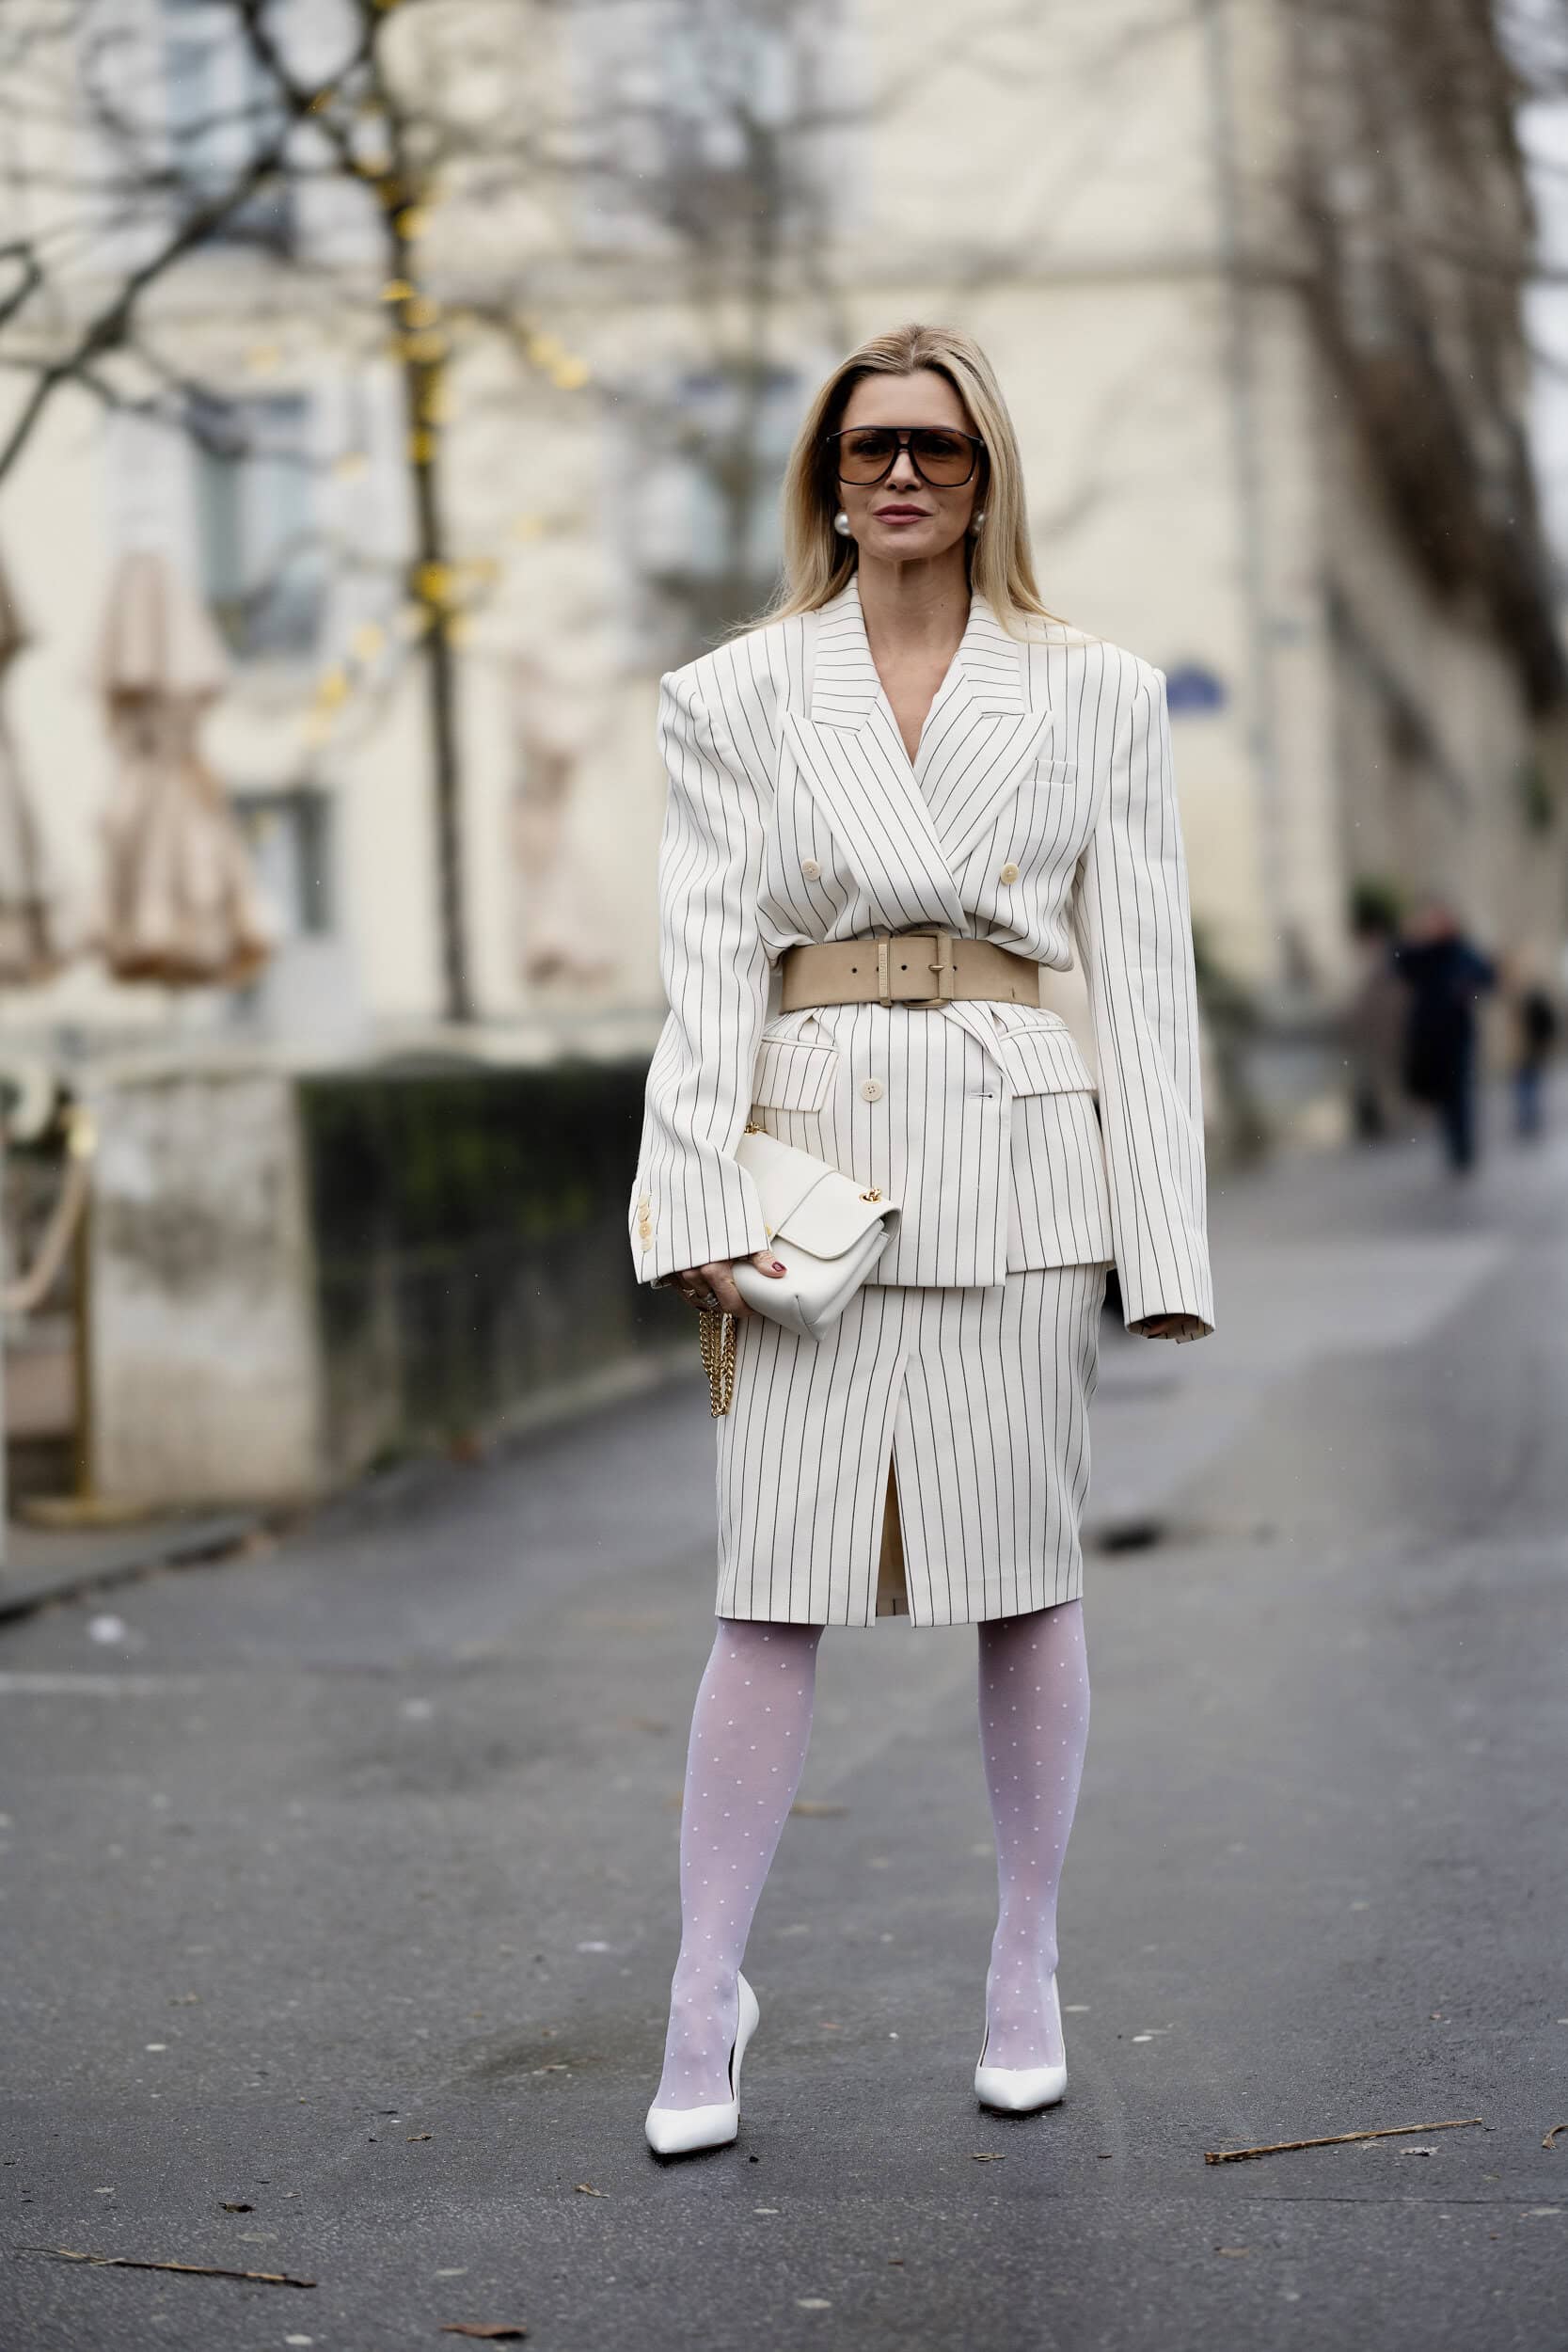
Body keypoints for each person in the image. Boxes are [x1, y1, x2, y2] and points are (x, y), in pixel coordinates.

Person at [627, 323, 1213, 2157]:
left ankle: (1022, 1958)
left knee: (1023, 1573)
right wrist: (688, 1192)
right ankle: (697, 1982)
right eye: (869, 443)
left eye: (936, 450)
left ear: (983, 477)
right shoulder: (727, 695)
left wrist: (1163, 1242)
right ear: (824, 469)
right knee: (766, 1594)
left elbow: (1143, 976)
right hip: (805, 1171)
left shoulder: (1096, 691)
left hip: (1016, 1158)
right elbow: (704, 961)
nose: (898, 473)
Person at [1393, 898, 1497, 1174]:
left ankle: (1462, 1151)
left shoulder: (1463, 953)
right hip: (1428, 1037)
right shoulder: (1423, 954)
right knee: (1440, 1095)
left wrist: (1467, 990)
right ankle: (1454, 1147)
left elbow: (1487, 979)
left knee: (1459, 1093)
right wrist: (1410, 937)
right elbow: (1400, 966)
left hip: (1457, 1035)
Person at [1510, 967, 1559, 1140]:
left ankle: (1528, 1121)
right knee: (1528, 1087)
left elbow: (1545, 1029)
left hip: (1530, 1052)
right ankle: (1529, 1120)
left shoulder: (1535, 1009)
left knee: (1527, 1087)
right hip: (1531, 1051)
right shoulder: (1539, 1009)